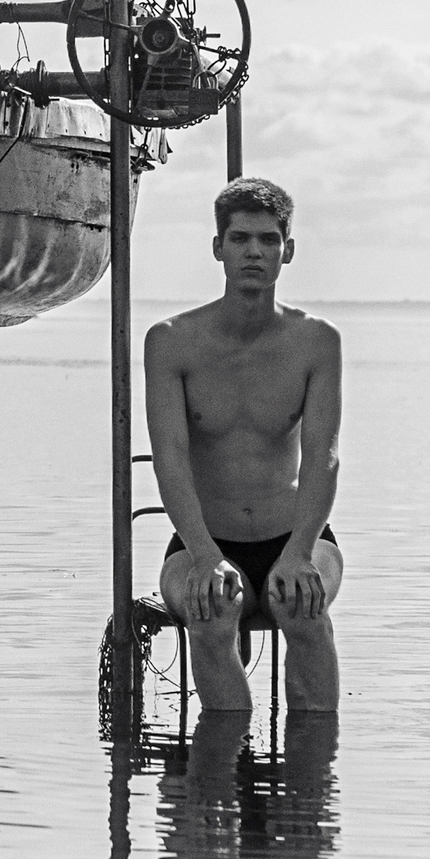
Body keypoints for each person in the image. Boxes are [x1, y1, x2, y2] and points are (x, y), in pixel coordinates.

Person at [145, 177, 342, 713]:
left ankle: (314, 777)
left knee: (302, 605)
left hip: (297, 535)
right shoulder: (170, 340)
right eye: (239, 239)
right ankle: (224, 765)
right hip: (200, 542)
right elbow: (171, 460)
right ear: (218, 248)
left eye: (269, 239)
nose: (255, 251)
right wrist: (207, 557)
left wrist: (300, 552)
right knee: (210, 610)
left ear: (288, 250)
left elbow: (324, 457)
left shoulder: (317, 341)